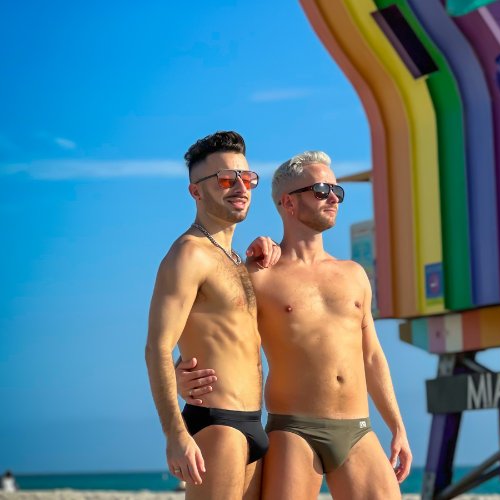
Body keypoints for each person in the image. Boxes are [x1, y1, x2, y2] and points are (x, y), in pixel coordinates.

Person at [177, 150, 412, 499]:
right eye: (321, 190)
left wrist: (397, 427)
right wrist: (181, 371)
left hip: (358, 429)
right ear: (288, 202)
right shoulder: (258, 275)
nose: (333, 197)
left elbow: (373, 356)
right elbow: (214, 331)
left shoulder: (354, 275)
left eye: (337, 190)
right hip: (293, 430)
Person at [145, 131, 280, 500]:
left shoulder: (238, 260)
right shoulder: (188, 255)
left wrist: (270, 251)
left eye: (247, 177)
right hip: (217, 424)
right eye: (225, 178)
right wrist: (175, 436)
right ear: (196, 192)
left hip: (254, 422)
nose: (240, 186)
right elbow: (157, 347)